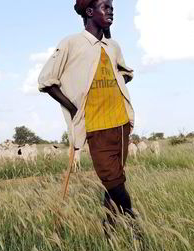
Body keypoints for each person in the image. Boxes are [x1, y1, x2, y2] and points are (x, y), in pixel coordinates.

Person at [38, 0, 137, 235]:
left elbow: (125, 73)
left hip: (121, 123)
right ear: (90, 12)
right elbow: (46, 81)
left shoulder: (113, 46)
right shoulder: (71, 43)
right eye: (105, 6)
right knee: (114, 182)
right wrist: (73, 109)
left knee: (114, 183)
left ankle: (109, 230)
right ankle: (137, 229)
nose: (111, 9)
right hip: (95, 126)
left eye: (112, 6)